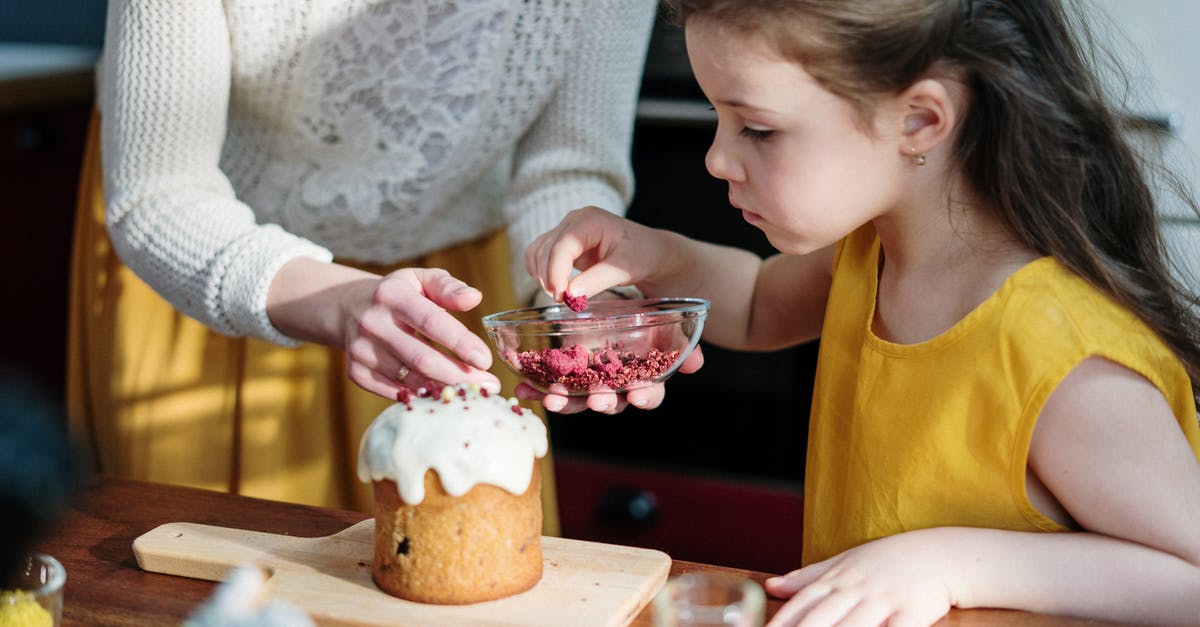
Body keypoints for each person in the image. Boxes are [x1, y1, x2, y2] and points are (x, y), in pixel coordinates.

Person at [520, 0, 1200, 624]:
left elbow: (1189, 576)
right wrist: (651, 252)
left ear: (920, 120)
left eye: (756, 126)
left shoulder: (1061, 353)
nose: (718, 158)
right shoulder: (867, 254)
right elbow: (756, 304)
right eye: (716, 119)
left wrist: (950, 563)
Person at [67, 0, 659, 535]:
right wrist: (346, 301)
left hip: (449, 307)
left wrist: (578, 299)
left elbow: (567, 165)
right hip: (221, 278)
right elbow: (158, 195)